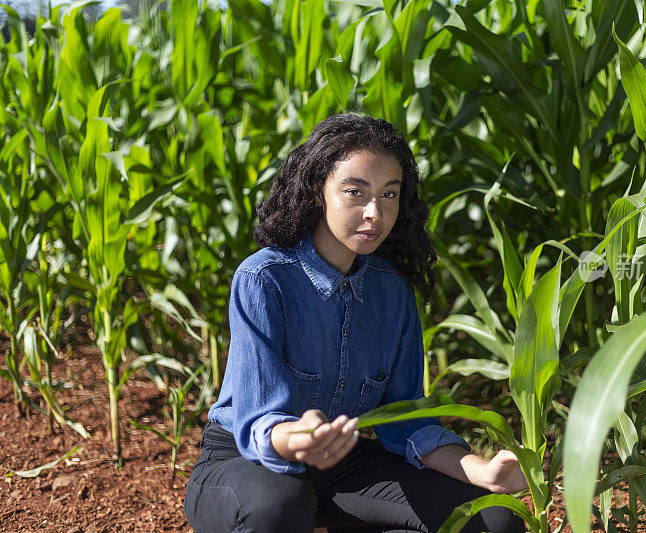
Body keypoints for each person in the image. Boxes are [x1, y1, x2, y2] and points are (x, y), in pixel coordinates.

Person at [183, 114, 527, 533]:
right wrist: (302, 436)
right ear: (317, 190)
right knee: (281, 505)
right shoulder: (264, 279)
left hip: (343, 467)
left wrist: (484, 472)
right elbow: (259, 422)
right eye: (355, 192)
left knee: (493, 520)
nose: (375, 212)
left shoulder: (392, 292)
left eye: (389, 194)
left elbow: (406, 420)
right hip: (246, 462)